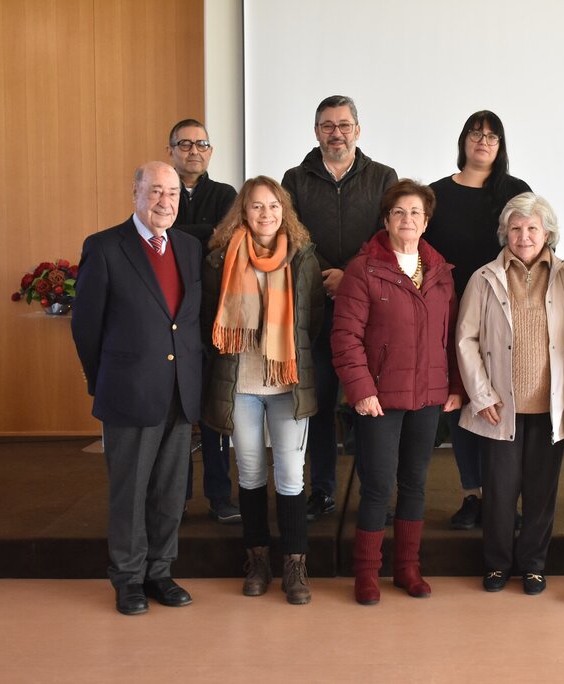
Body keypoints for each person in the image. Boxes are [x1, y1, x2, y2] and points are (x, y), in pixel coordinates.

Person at [71, 161, 202, 615]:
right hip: (128, 392)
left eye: (172, 193)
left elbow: (186, 322)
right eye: (155, 192)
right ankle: (127, 579)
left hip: (180, 393)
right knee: (130, 492)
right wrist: (105, 380)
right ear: (135, 193)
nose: (165, 202)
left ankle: (160, 572)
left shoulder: (187, 247)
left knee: (170, 493)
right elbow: (86, 328)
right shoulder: (105, 247)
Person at [331, 179, 463, 605]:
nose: (408, 220)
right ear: (386, 219)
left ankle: (408, 567)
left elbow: (452, 337)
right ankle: (367, 573)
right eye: (399, 212)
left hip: (428, 396)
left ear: (426, 223)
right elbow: (345, 337)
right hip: (379, 400)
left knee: (415, 483)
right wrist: (361, 390)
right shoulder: (363, 269)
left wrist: (455, 386)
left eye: (416, 214)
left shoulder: (441, 273)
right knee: (376, 485)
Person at [201, 176, 324, 604]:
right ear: (243, 212)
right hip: (241, 385)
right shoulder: (221, 259)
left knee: (291, 476)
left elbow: (314, 322)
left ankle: (295, 564)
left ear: (284, 211)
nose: (265, 214)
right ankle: (257, 561)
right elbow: (207, 323)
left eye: (273, 206)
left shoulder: (304, 258)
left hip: (288, 385)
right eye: (256, 206)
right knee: (251, 474)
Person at [282, 95, 398, 522]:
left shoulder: (383, 177)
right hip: (314, 306)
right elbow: (290, 237)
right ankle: (323, 491)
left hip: (369, 309)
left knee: (369, 405)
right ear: (316, 132)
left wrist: (349, 274)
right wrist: (324, 274)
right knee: (319, 403)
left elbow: (387, 237)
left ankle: (374, 493)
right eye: (328, 125)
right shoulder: (295, 179)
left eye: (344, 125)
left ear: (358, 130)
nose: (337, 133)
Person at [456, 192, 564, 595]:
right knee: (500, 493)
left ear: (547, 233)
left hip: (549, 406)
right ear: (505, 232)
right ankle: (497, 565)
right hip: (498, 407)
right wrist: (481, 394)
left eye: (532, 228)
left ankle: (534, 565)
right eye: (516, 228)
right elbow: (465, 339)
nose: (524, 236)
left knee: (542, 494)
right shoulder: (484, 277)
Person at [425, 110, 532, 530]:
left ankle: (503, 497)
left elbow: (532, 241)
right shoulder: (436, 194)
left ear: (501, 145)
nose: (483, 141)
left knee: (503, 400)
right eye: (475, 133)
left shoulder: (515, 192)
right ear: (463, 141)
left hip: (505, 311)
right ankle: (473, 495)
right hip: (453, 311)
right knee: (463, 402)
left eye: (492, 136)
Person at [167, 118, 241, 525]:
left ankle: (218, 495)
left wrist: (186, 233)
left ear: (210, 152)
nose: (193, 151)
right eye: (184, 144)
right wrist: (205, 232)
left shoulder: (226, 193)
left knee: (214, 412)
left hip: (214, 313)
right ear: (171, 151)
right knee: (179, 412)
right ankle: (176, 496)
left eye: (201, 144)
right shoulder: (164, 189)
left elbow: (226, 239)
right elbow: (200, 236)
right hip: (172, 316)